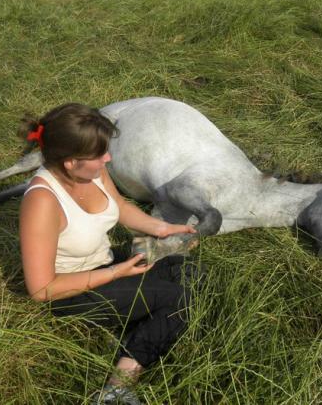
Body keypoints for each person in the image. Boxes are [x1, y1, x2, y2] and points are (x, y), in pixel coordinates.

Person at [19, 103, 203, 404]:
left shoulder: (93, 172)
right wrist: (116, 273)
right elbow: (41, 288)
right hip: (71, 292)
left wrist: (162, 228)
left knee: (185, 270)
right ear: (70, 162)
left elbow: (122, 208)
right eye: (100, 154)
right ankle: (117, 388)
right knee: (178, 298)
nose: (108, 158)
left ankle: (137, 322)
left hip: (103, 261)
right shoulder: (42, 201)